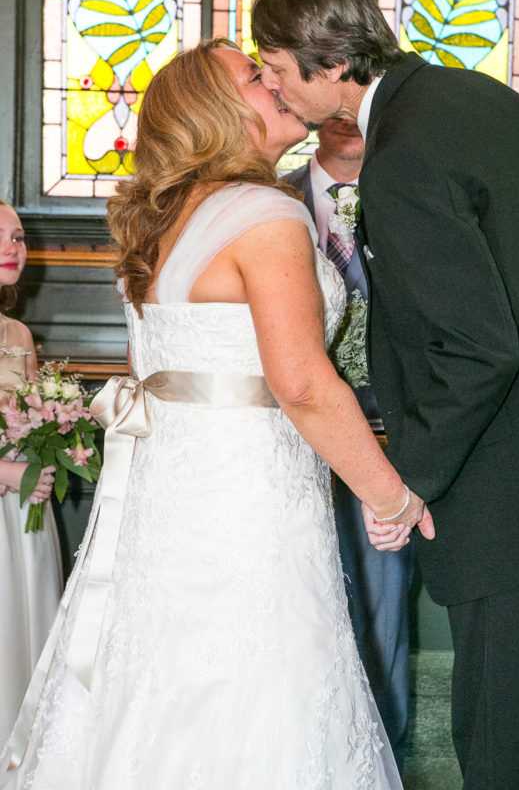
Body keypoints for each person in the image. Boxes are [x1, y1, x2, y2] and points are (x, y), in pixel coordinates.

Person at [0, 39, 434, 790]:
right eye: (253, 76)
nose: (274, 82)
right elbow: (300, 381)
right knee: (258, 676)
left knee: (165, 675)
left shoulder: (165, 221)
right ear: (215, 110)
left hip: (170, 494)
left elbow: (154, 372)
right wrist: (388, 493)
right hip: (250, 496)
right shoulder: (266, 213)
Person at [251, 0, 519, 790]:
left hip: (517, 480)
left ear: (328, 59)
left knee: (505, 736)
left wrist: (408, 482)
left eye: (280, 70)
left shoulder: (406, 159)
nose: (278, 92)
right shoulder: (476, 98)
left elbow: (474, 349)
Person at [285, 118, 415, 768]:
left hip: (392, 430)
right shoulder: (274, 201)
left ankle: (384, 747)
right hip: (288, 436)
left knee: (384, 591)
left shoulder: (414, 196)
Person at [0, 200, 63, 747]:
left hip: (23, 507)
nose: (11, 248)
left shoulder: (17, 335)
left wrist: (47, 454)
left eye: (18, 238)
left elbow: (36, 418)